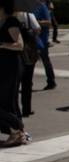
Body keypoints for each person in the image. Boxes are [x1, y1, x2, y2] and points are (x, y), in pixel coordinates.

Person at [0, 0, 29, 147]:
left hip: (11, 66)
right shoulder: (2, 22)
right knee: (6, 101)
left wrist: (1, 44)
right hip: (3, 66)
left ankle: (18, 131)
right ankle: (18, 132)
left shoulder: (11, 21)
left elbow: (19, 45)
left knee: (8, 100)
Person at [17, 10, 41, 117]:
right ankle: (26, 109)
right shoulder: (28, 15)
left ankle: (14, 110)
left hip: (14, 53)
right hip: (28, 51)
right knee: (27, 82)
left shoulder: (7, 15)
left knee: (14, 83)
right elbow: (37, 29)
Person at [33, 0, 56, 90]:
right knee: (30, 62)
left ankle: (51, 81)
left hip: (41, 40)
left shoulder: (42, 6)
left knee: (45, 61)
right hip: (31, 39)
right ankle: (27, 83)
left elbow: (49, 23)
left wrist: (35, 22)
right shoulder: (28, 8)